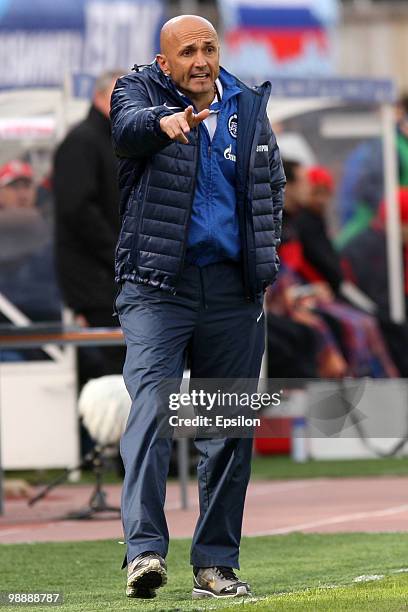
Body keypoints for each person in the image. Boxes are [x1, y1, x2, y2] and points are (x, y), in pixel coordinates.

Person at [110, 14, 285, 600]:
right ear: (165, 63)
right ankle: (144, 553)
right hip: (158, 287)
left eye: (209, 47)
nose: (201, 60)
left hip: (234, 291)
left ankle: (215, 566)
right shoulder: (138, 92)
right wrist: (168, 124)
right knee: (153, 408)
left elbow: (272, 184)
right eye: (187, 51)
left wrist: (264, 258)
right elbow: (128, 129)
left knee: (228, 428)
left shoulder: (246, 104)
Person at [53, 70, 126, 388]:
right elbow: (77, 209)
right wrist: (121, 255)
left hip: (109, 278)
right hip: (97, 282)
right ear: (100, 97)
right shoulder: (82, 141)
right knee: (114, 376)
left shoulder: (111, 142)